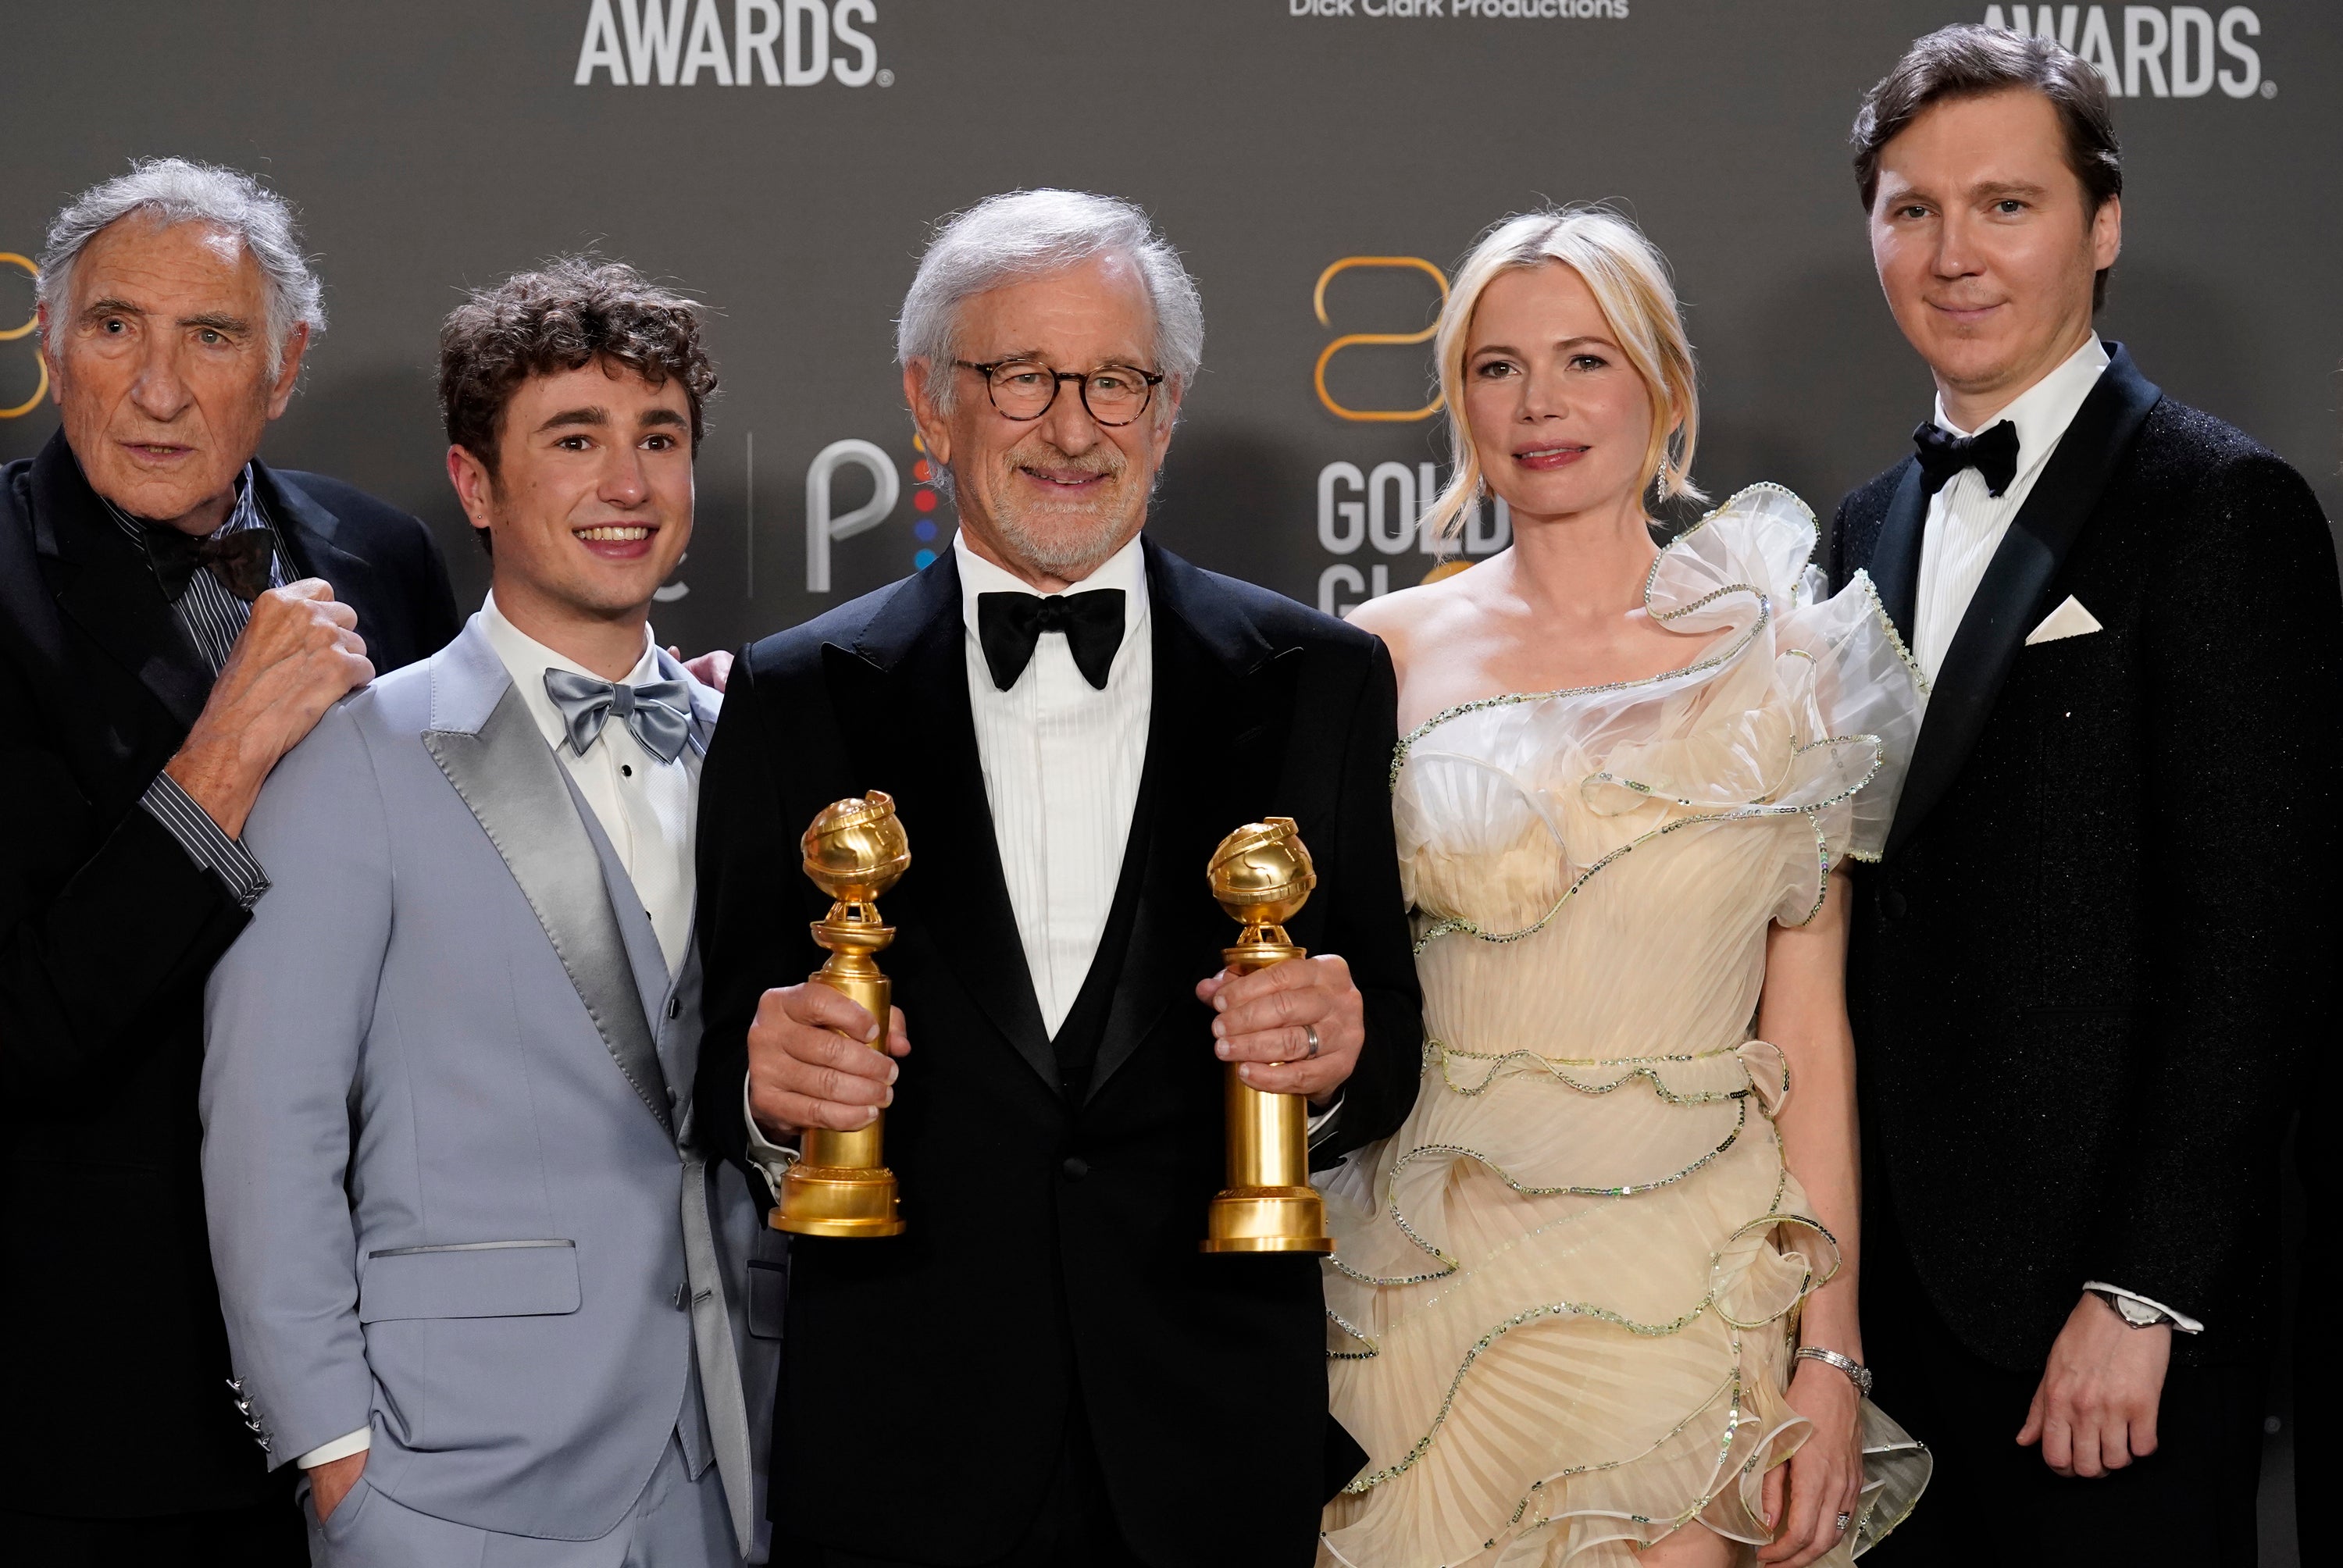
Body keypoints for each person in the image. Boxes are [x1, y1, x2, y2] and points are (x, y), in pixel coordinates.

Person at [690, 189, 1424, 1568]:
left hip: (1209, 1437)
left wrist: (1340, 1058)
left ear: (1169, 409)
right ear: (929, 402)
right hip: (901, 1448)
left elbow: (1383, 1029)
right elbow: (726, 1053)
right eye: (1022, 378)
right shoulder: (794, 696)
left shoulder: (1319, 677)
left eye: (1116, 381)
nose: (1075, 427)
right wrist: (765, 1085)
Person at [1320, 207, 1931, 1568]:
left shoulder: (1788, 663)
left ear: (1663, 387)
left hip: (1687, 1272)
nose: (1541, 404)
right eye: (1498, 367)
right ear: (1458, 399)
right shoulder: (1376, 655)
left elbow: (1811, 1034)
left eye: (1585, 360)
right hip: (1431, 1268)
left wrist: (1829, 1351)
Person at [1830, 26, 2341, 1565]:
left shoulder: (2218, 504)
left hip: (2102, 1331)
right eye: (1911, 208)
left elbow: (2258, 939)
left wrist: (2141, 1289)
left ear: (2101, 225)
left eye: (2006, 204)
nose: (1953, 251)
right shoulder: (1863, 523)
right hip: (1892, 1310)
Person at [199, 258, 780, 1566]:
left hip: (732, 1460)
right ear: (476, 482)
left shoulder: (757, 752)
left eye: (659, 440)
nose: (627, 485)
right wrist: (334, 1456)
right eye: (575, 440)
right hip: (448, 1480)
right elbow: (267, 1131)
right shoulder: (354, 756)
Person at [0, 158, 460, 1563]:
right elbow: (25, 1026)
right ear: (49, 348)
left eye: (211, 338)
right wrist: (223, 756)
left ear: (286, 364)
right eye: (114, 329)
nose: (156, 388)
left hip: (385, 1375)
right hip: (86, 1410)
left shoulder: (379, 556)